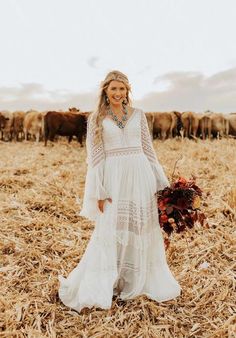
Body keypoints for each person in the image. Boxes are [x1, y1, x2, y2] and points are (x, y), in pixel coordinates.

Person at [58, 70, 181, 313]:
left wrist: (163, 184)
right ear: (105, 90)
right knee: (111, 229)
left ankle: (137, 280)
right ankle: (109, 280)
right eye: (113, 88)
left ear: (128, 91)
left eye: (122, 89)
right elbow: (95, 158)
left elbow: (149, 150)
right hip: (114, 178)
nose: (117, 93)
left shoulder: (139, 115)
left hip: (141, 174)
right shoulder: (96, 118)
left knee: (140, 226)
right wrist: (99, 191)